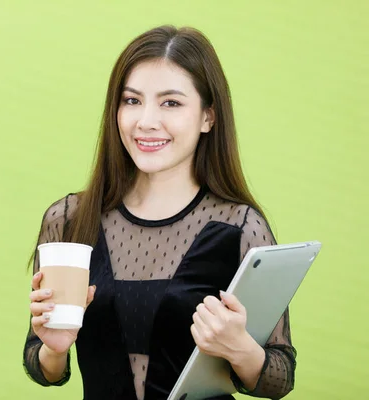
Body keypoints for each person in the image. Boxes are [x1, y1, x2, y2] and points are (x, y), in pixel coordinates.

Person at [22, 25, 296, 400]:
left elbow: (279, 378)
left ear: (207, 118)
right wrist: (55, 348)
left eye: (171, 103)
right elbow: (42, 369)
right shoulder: (69, 218)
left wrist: (240, 348)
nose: (146, 121)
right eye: (132, 101)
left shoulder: (241, 226)